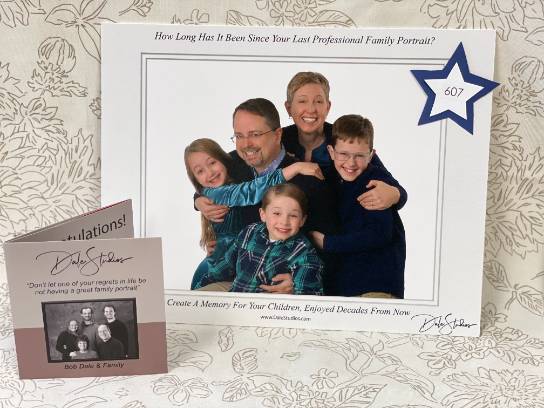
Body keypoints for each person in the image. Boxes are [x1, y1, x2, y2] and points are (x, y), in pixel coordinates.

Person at [195, 98, 337, 294]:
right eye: (239, 136)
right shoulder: (233, 164)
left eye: (255, 134)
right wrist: (199, 201)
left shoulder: (308, 181)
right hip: (237, 273)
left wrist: (298, 281)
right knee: (198, 286)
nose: (246, 144)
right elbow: (205, 179)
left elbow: (330, 248)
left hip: (278, 285)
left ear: (278, 135)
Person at [185, 138, 323, 289]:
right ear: (195, 179)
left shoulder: (236, 178)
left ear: (224, 160)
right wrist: (295, 168)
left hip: (245, 262)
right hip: (221, 267)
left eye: (212, 163)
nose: (209, 172)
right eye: (200, 171)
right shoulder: (215, 193)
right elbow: (252, 190)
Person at [309, 114, 406, 298]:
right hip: (342, 286)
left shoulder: (375, 182)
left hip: (375, 286)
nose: (351, 163)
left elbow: (379, 234)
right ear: (331, 152)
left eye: (359, 156)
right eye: (343, 154)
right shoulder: (329, 178)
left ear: (371, 155)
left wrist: (328, 243)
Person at [282, 71, 407, 211]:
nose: (311, 109)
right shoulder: (278, 139)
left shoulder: (343, 137)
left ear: (328, 107)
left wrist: (394, 194)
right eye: (302, 101)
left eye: (318, 101)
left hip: (340, 221)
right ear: (288, 108)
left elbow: (398, 192)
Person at [204, 184, 323, 294]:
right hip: (236, 296)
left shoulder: (304, 253)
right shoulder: (250, 232)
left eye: (293, 215)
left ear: (302, 220)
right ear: (263, 214)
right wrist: (203, 283)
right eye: (277, 213)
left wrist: (294, 292)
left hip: (265, 307)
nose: (284, 222)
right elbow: (226, 264)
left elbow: (308, 295)